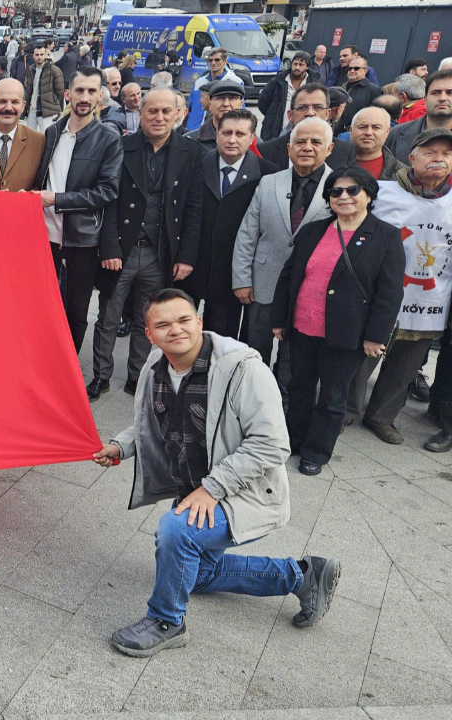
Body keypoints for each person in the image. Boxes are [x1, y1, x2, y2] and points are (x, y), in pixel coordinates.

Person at [93, 289, 340, 658]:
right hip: (196, 487)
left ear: (199, 322)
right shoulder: (157, 365)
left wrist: (211, 488)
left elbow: (272, 445)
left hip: (243, 492)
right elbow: (153, 420)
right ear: (149, 333)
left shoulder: (244, 369)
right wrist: (121, 445)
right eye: (162, 325)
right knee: (194, 574)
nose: (174, 330)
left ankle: (166, 621)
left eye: (183, 320)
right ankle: (303, 575)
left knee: (176, 531)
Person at [271, 166, 404, 475]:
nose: (344, 196)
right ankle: (294, 440)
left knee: (332, 396)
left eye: (352, 190)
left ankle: (316, 451)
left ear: (368, 195)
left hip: (348, 334)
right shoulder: (312, 231)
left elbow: (389, 293)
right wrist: (279, 318)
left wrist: (376, 336)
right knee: (299, 388)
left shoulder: (385, 235)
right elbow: (289, 276)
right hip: (303, 326)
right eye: (336, 191)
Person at [90, 87, 203, 398]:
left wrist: (186, 257)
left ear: (178, 115)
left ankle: (137, 377)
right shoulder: (121, 147)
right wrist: (109, 248)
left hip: (161, 252)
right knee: (108, 317)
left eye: (167, 111)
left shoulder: (192, 154)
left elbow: (194, 208)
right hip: (123, 250)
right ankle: (100, 375)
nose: (159, 117)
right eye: (152, 111)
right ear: (140, 114)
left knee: (149, 320)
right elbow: (108, 201)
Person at [347, 129, 452, 445]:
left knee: (405, 365)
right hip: (381, 297)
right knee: (359, 360)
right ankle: (343, 411)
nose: (438, 158)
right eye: (430, 152)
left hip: (430, 300)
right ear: (412, 157)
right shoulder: (383, 192)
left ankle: (382, 417)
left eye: (445, 154)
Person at [233, 117, 338, 390]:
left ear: (329, 149)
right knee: (255, 348)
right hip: (263, 283)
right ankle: (251, 394)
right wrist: (242, 278)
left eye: (316, 142)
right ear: (289, 148)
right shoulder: (269, 183)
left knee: (295, 357)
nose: (307, 147)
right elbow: (247, 233)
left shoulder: (340, 188)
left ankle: (284, 399)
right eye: (300, 142)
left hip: (309, 288)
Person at [36, 67, 123, 357]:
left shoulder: (108, 138)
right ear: (67, 94)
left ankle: (67, 368)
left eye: (91, 91)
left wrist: (57, 200)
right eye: (79, 90)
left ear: (100, 96)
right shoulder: (52, 132)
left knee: (76, 310)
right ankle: (43, 362)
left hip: (82, 240)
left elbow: (107, 191)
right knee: (43, 307)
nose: (84, 97)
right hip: (45, 238)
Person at [194, 109, 278, 340]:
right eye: (227, 132)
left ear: (252, 138)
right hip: (192, 266)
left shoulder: (267, 174)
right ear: (217, 134)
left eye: (240, 134)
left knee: (221, 335)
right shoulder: (197, 164)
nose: (232, 139)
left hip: (232, 272)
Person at [257, 83, 356, 169]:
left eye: (317, 107)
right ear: (290, 115)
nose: (310, 113)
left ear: (327, 113)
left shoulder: (345, 152)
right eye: (302, 107)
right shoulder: (265, 151)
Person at [387, 69, 452, 161]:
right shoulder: (395, 134)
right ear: (425, 99)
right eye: (435, 93)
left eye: (450, 92)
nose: (442, 98)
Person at [258, 51, 313, 141]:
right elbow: (262, 102)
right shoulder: (277, 81)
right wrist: (272, 115)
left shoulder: (312, 84)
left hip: (301, 129)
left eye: (301, 65)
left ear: (307, 67)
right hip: (276, 130)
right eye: (295, 64)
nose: (297, 67)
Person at [350, 107, 405, 181]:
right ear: (351, 130)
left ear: (387, 132)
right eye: (362, 127)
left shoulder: (403, 174)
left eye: (376, 127)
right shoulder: (333, 163)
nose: (368, 133)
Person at [185, 80, 243, 149]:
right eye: (220, 98)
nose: (226, 104)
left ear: (241, 104)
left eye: (232, 99)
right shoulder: (190, 142)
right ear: (210, 103)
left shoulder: (253, 144)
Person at [22, 43, 64, 133]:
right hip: (32, 109)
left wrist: (54, 107)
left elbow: (60, 92)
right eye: (37, 55)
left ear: (45, 55)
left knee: (46, 137)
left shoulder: (54, 70)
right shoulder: (31, 69)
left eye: (41, 54)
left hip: (47, 111)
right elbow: (28, 90)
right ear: (33, 56)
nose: (39, 57)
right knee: (29, 137)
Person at [339, 54, 383, 131]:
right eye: (349, 68)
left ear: (365, 71)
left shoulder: (374, 90)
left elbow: (378, 116)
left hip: (357, 133)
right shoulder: (342, 87)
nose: (352, 71)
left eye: (356, 68)